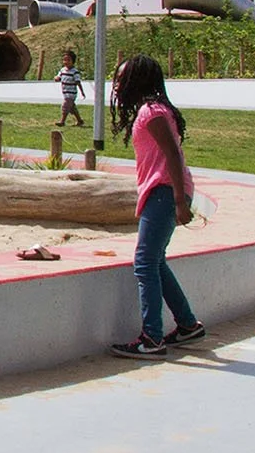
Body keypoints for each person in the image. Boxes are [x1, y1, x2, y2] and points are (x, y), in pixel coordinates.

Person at [109, 54, 205, 360]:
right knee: (155, 261)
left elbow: (173, 157)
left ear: (138, 81)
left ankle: (151, 337)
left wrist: (179, 201)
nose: (118, 84)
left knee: (144, 262)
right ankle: (188, 325)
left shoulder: (152, 113)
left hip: (164, 192)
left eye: (122, 78)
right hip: (162, 191)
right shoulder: (152, 110)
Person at [56, 48, 86, 127]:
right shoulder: (63, 70)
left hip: (71, 94)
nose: (66, 62)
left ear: (73, 61)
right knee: (72, 108)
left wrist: (82, 92)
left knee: (65, 106)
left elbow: (78, 82)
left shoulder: (74, 72)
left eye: (68, 60)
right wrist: (57, 78)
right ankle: (80, 120)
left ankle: (62, 121)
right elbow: (59, 77)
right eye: (64, 60)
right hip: (65, 92)